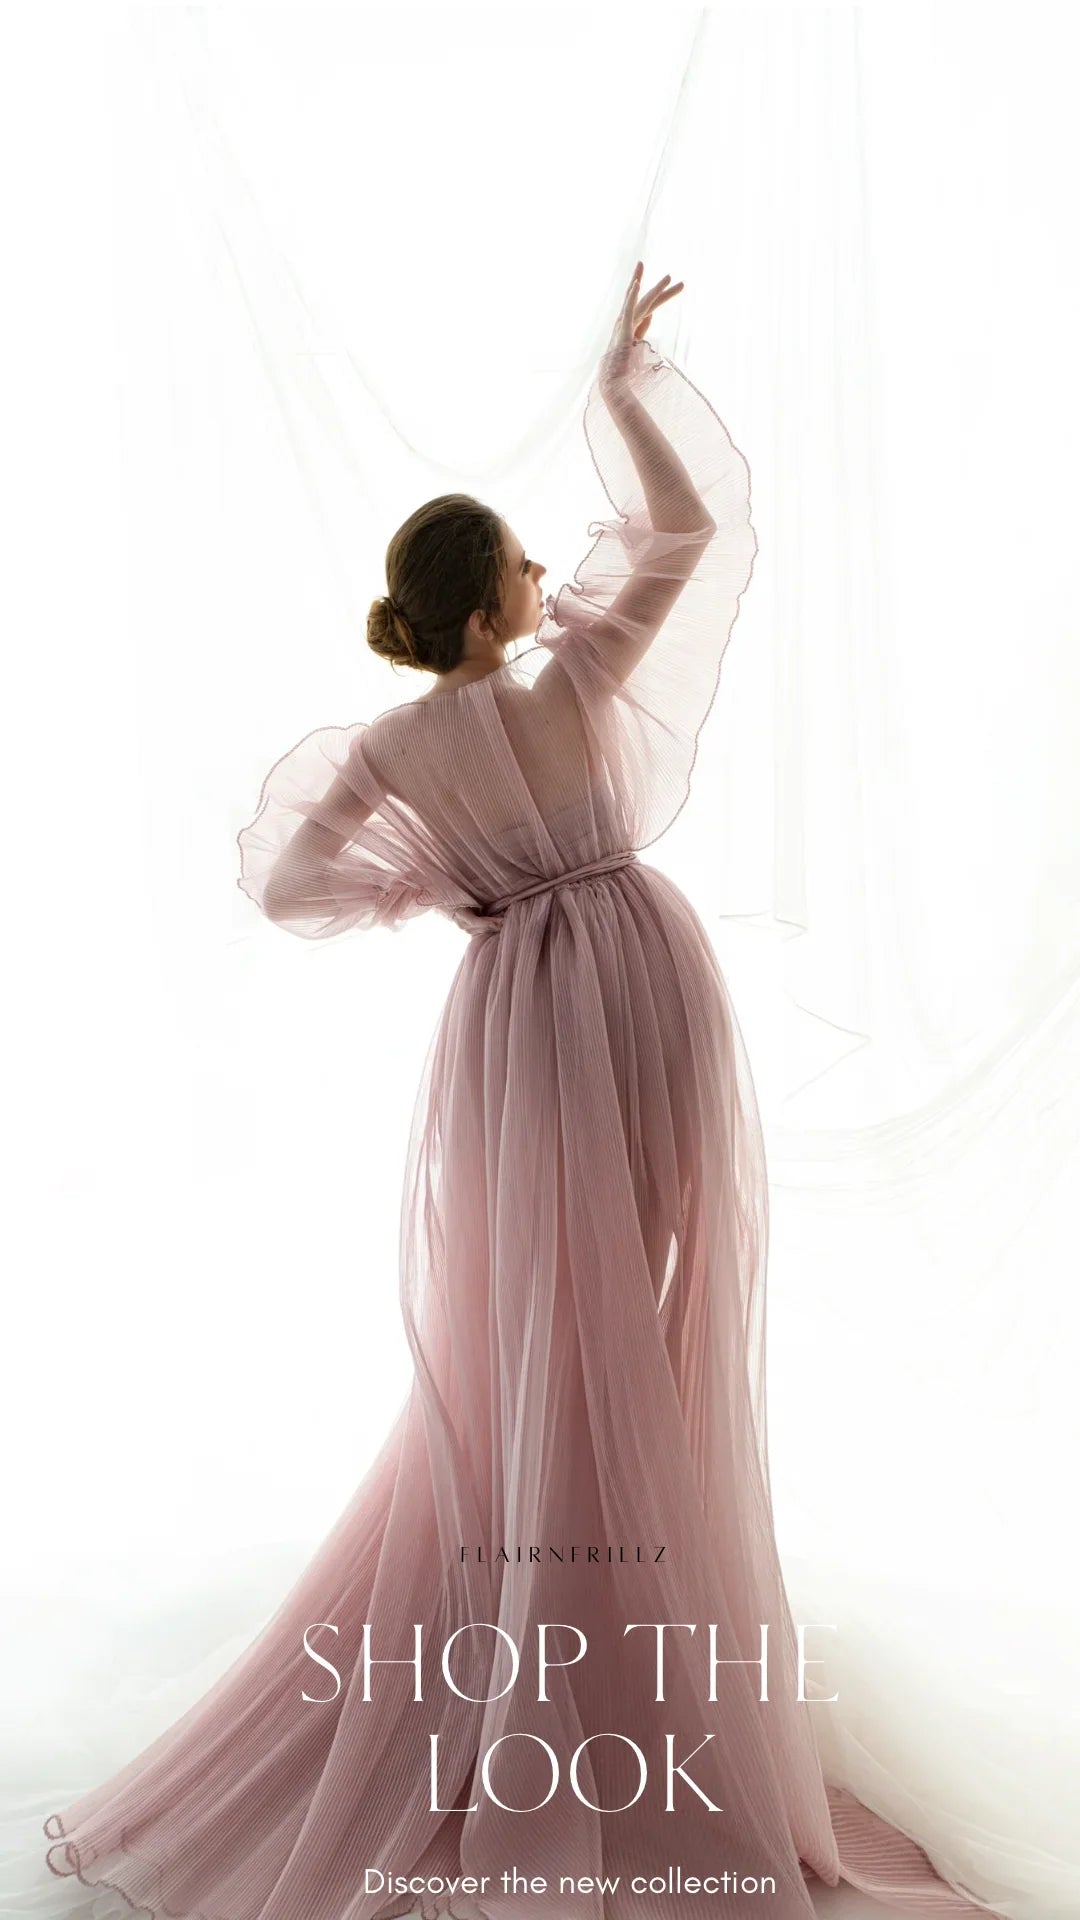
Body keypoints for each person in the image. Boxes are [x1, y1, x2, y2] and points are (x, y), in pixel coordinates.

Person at [42, 267, 1008, 1920]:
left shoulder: (401, 743)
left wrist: (444, 882)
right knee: (631, 1305)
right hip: (638, 980)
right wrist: (626, 386)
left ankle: (566, 1582)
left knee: (537, 1324)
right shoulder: (570, 685)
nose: (554, 570)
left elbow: (290, 885)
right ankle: (608, 1606)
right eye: (527, 561)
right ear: (493, 601)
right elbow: (692, 533)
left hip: (520, 1018)